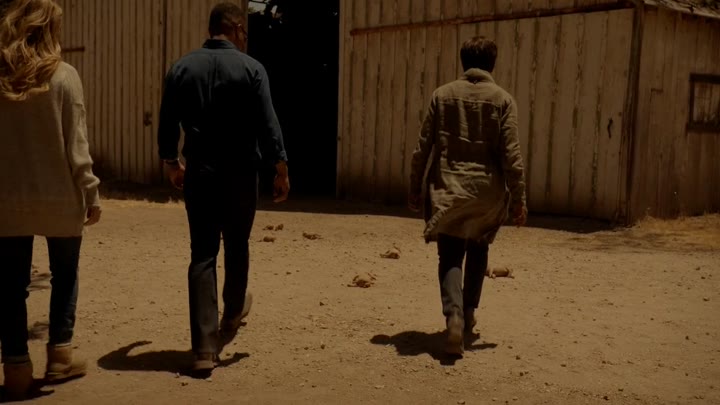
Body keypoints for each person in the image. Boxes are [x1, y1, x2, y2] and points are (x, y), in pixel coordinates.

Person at [158, 2, 289, 374]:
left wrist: (172, 163)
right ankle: (231, 315)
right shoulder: (252, 69)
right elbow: (268, 124)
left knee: (202, 253)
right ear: (235, 28)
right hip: (241, 173)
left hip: (200, 172)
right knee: (236, 243)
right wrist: (280, 168)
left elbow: (167, 122)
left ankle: (203, 348)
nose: (245, 39)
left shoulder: (182, 68)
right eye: (245, 32)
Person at [0, 0, 102, 400]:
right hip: (60, 197)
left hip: (8, 201)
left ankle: (15, 368)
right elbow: (77, 144)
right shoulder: (64, 76)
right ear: (49, 29)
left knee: (10, 287)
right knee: (65, 275)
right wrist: (91, 191)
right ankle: (60, 355)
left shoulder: (2, 78)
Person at [408, 36, 528, 356]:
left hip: (448, 189)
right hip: (487, 194)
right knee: (478, 248)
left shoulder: (442, 95)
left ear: (463, 62)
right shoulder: (504, 100)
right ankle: (470, 311)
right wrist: (519, 200)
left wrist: (415, 187)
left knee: (450, 255)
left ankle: (454, 316)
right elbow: (512, 155)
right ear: (492, 64)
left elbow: (422, 147)